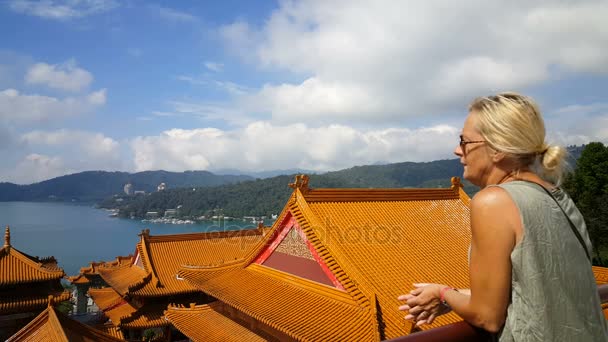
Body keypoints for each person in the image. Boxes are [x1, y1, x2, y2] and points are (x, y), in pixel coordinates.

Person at [397, 92, 607, 341]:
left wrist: (442, 293)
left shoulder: (493, 201)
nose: (457, 150)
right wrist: (456, 295)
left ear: (497, 149)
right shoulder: (556, 196)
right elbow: (538, 286)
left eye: (464, 141)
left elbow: (487, 316)